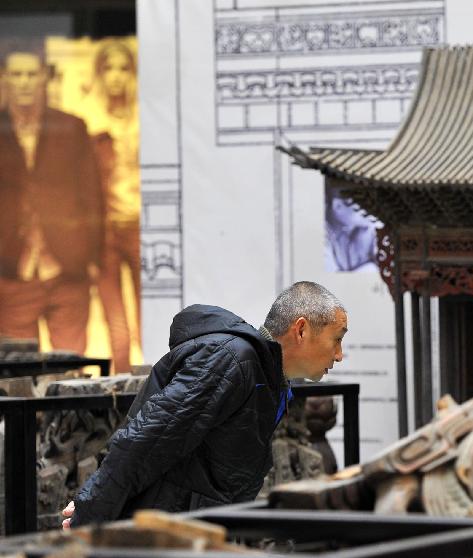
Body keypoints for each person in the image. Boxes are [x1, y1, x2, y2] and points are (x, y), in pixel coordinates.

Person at [63, 281, 348, 527]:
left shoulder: (265, 375)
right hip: (161, 536)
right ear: (301, 330)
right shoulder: (232, 361)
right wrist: (90, 515)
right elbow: (146, 440)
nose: (339, 355)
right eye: (337, 339)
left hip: (187, 533)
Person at [0, 40, 104, 352]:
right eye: (16, 74)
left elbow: (91, 195)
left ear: (45, 76)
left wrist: (92, 257)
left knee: (72, 376)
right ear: (4, 77)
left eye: (32, 74)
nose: (24, 82)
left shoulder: (70, 127)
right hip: (12, 271)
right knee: (18, 380)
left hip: (67, 267)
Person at [83, 40, 142, 373]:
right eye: (109, 68)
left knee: (150, 317)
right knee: (117, 327)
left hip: (139, 226)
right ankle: (120, 398)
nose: (116, 76)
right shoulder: (90, 119)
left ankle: (157, 394)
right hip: (105, 232)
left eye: (124, 68)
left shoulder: (145, 117)